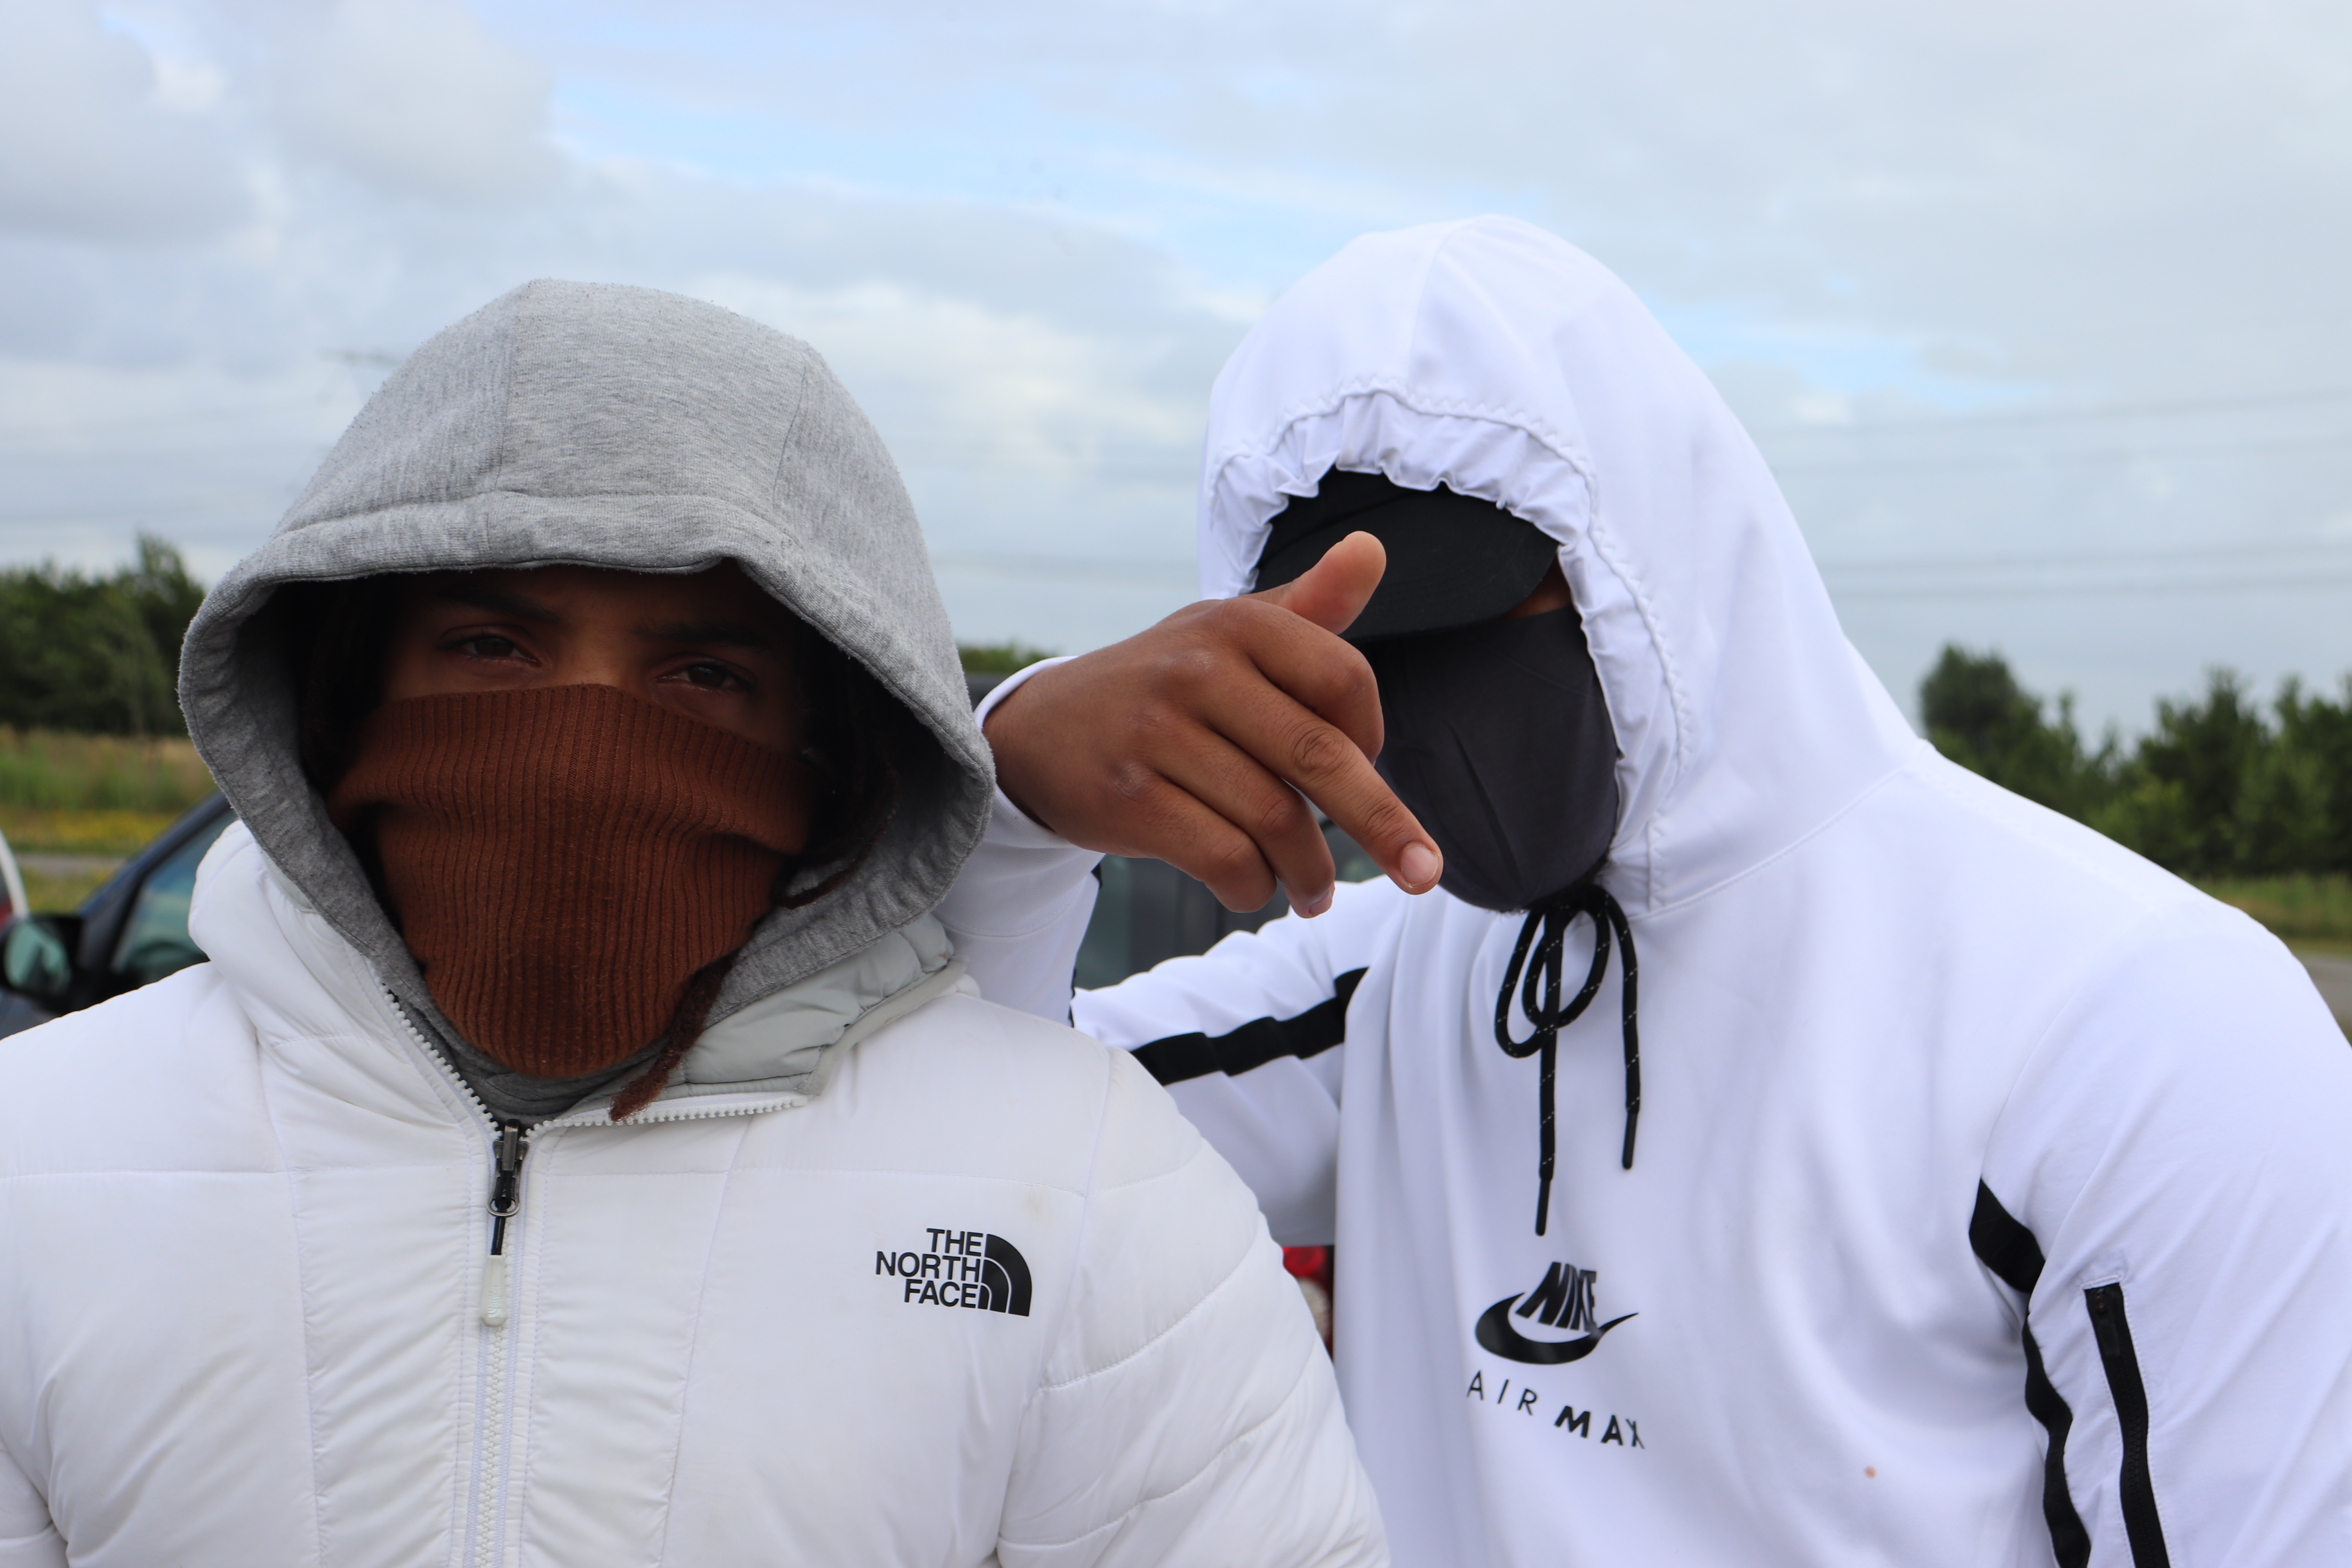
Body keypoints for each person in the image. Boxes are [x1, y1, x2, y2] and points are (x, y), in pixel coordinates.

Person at [948, 218, 2352, 1564]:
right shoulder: (1391, 982)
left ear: (1653, 558)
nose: (1418, 707)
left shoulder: (2137, 1025)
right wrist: (1005, 798)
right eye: (1350, 656)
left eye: (1476, 618)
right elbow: (962, 1154)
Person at [0, 281, 1386, 1566]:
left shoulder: (1089, 1178)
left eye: (706, 673)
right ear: (344, 689)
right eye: (493, 648)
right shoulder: (37, 1154)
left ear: (833, 745)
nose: (589, 745)